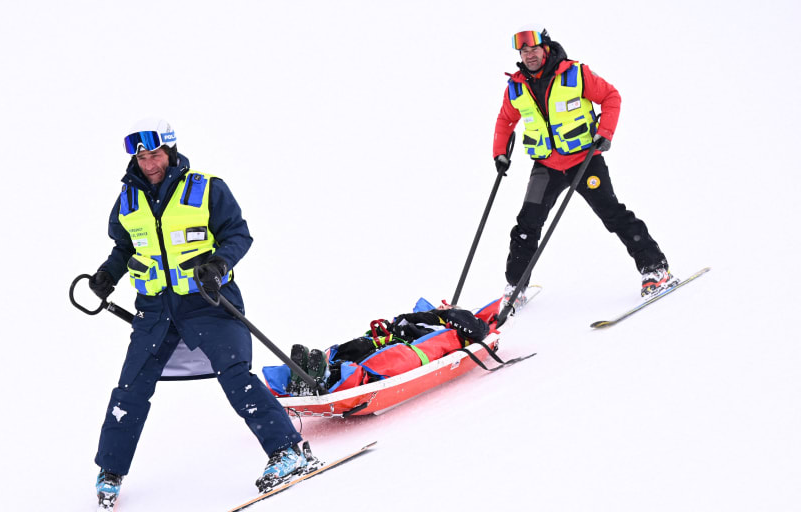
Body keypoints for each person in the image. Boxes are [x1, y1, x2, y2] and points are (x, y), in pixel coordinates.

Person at [86, 118, 310, 501]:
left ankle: (288, 450)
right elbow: (125, 248)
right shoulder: (127, 199)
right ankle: (110, 472)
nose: (148, 163)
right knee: (130, 388)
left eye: (155, 154)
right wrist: (108, 273)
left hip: (207, 302)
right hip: (155, 310)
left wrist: (219, 263)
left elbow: (238, 233)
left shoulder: (205, 189)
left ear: (170, 152)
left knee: (236, 374)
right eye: (141, 157)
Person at [493, 28, 676, 312]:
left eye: (534, 50)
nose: (529, 56)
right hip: (546, 166)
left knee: (612, 214)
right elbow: (505, 120)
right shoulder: (516, 86)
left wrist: (605, 132)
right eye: (524, 52)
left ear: (546, 48)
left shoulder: (574, 74)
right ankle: (515, 286)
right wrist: (500, 153)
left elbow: (611, 96)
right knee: (527, 224)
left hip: (584, 159)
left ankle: (655, 269)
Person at [286, 307, 491, 395]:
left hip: (410, 349)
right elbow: (401, 321)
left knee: (383, 361)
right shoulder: (429, 316)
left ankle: (330, 377)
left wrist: (449, 312)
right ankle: (313, 372)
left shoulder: (455, 322)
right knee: (358, 347)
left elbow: (480, 330)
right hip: (388, 340)